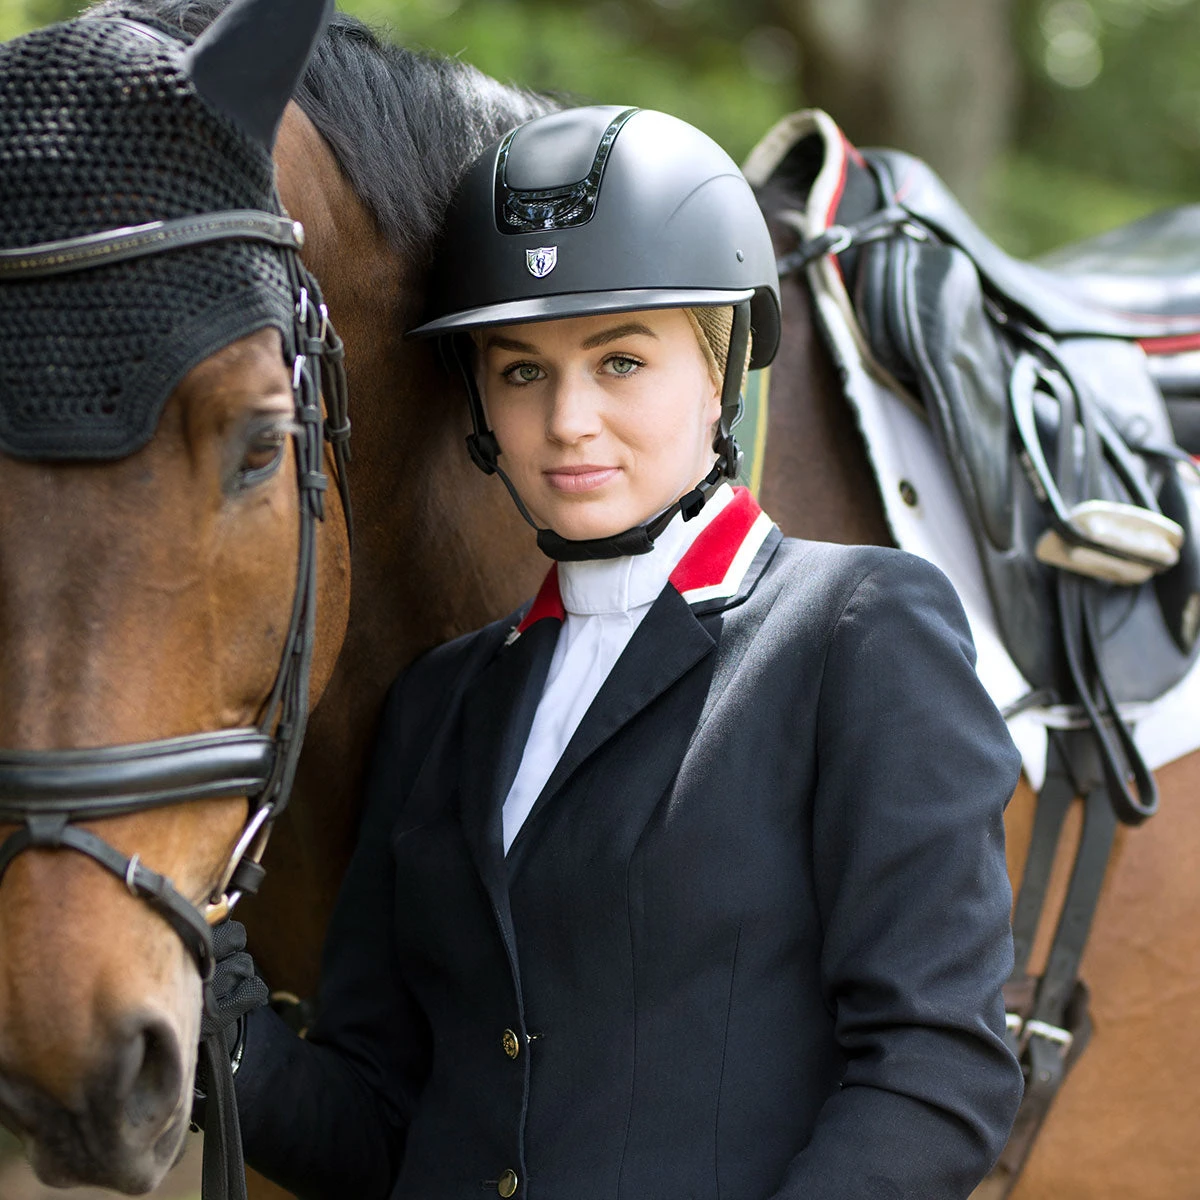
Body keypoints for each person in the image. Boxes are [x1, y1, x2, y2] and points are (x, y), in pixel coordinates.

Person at [213, 105, 1024, 1199]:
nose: (570, 421)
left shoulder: (859, 631)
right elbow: (381, 1125)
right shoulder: (442, 704)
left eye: (622, 359)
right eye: (521, 372)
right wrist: (216, 1020)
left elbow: (936, 1072)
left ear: (721, 363)